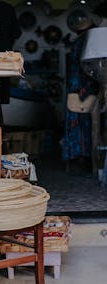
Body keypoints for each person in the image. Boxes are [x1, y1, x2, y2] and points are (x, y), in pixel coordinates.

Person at [62, 18, 99, 174]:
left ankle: (75, 157)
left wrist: (75, 88)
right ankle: (88, 158)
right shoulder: (90, 42)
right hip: (87, 89)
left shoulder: (78, 43)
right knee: (90, 125)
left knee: (75, 126)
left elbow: (75, 71)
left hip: (76, 89)